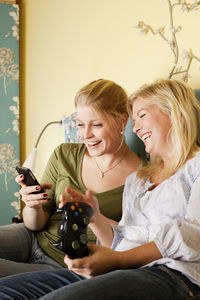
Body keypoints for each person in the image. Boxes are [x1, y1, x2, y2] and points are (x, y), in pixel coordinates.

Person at [0, 78, 200, 300]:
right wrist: (94, 216)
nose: (136, 128)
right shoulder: (140, 180)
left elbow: (193, 233)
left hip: (170, 272)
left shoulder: (194, 166)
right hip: (118, 266)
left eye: (142, 116)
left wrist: (118, 259)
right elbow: (123, 237)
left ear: (173, 111)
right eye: (135, 120)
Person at [0, 79, 141, 278]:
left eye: (97, 124)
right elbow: (35, 225)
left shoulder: (143, 177)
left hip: (65, 265)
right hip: (32, 238)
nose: (85, 134)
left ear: (122, 121)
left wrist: (94, 216)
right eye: (80, 124)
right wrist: (33, 205)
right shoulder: (64, 154)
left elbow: (133, 242)